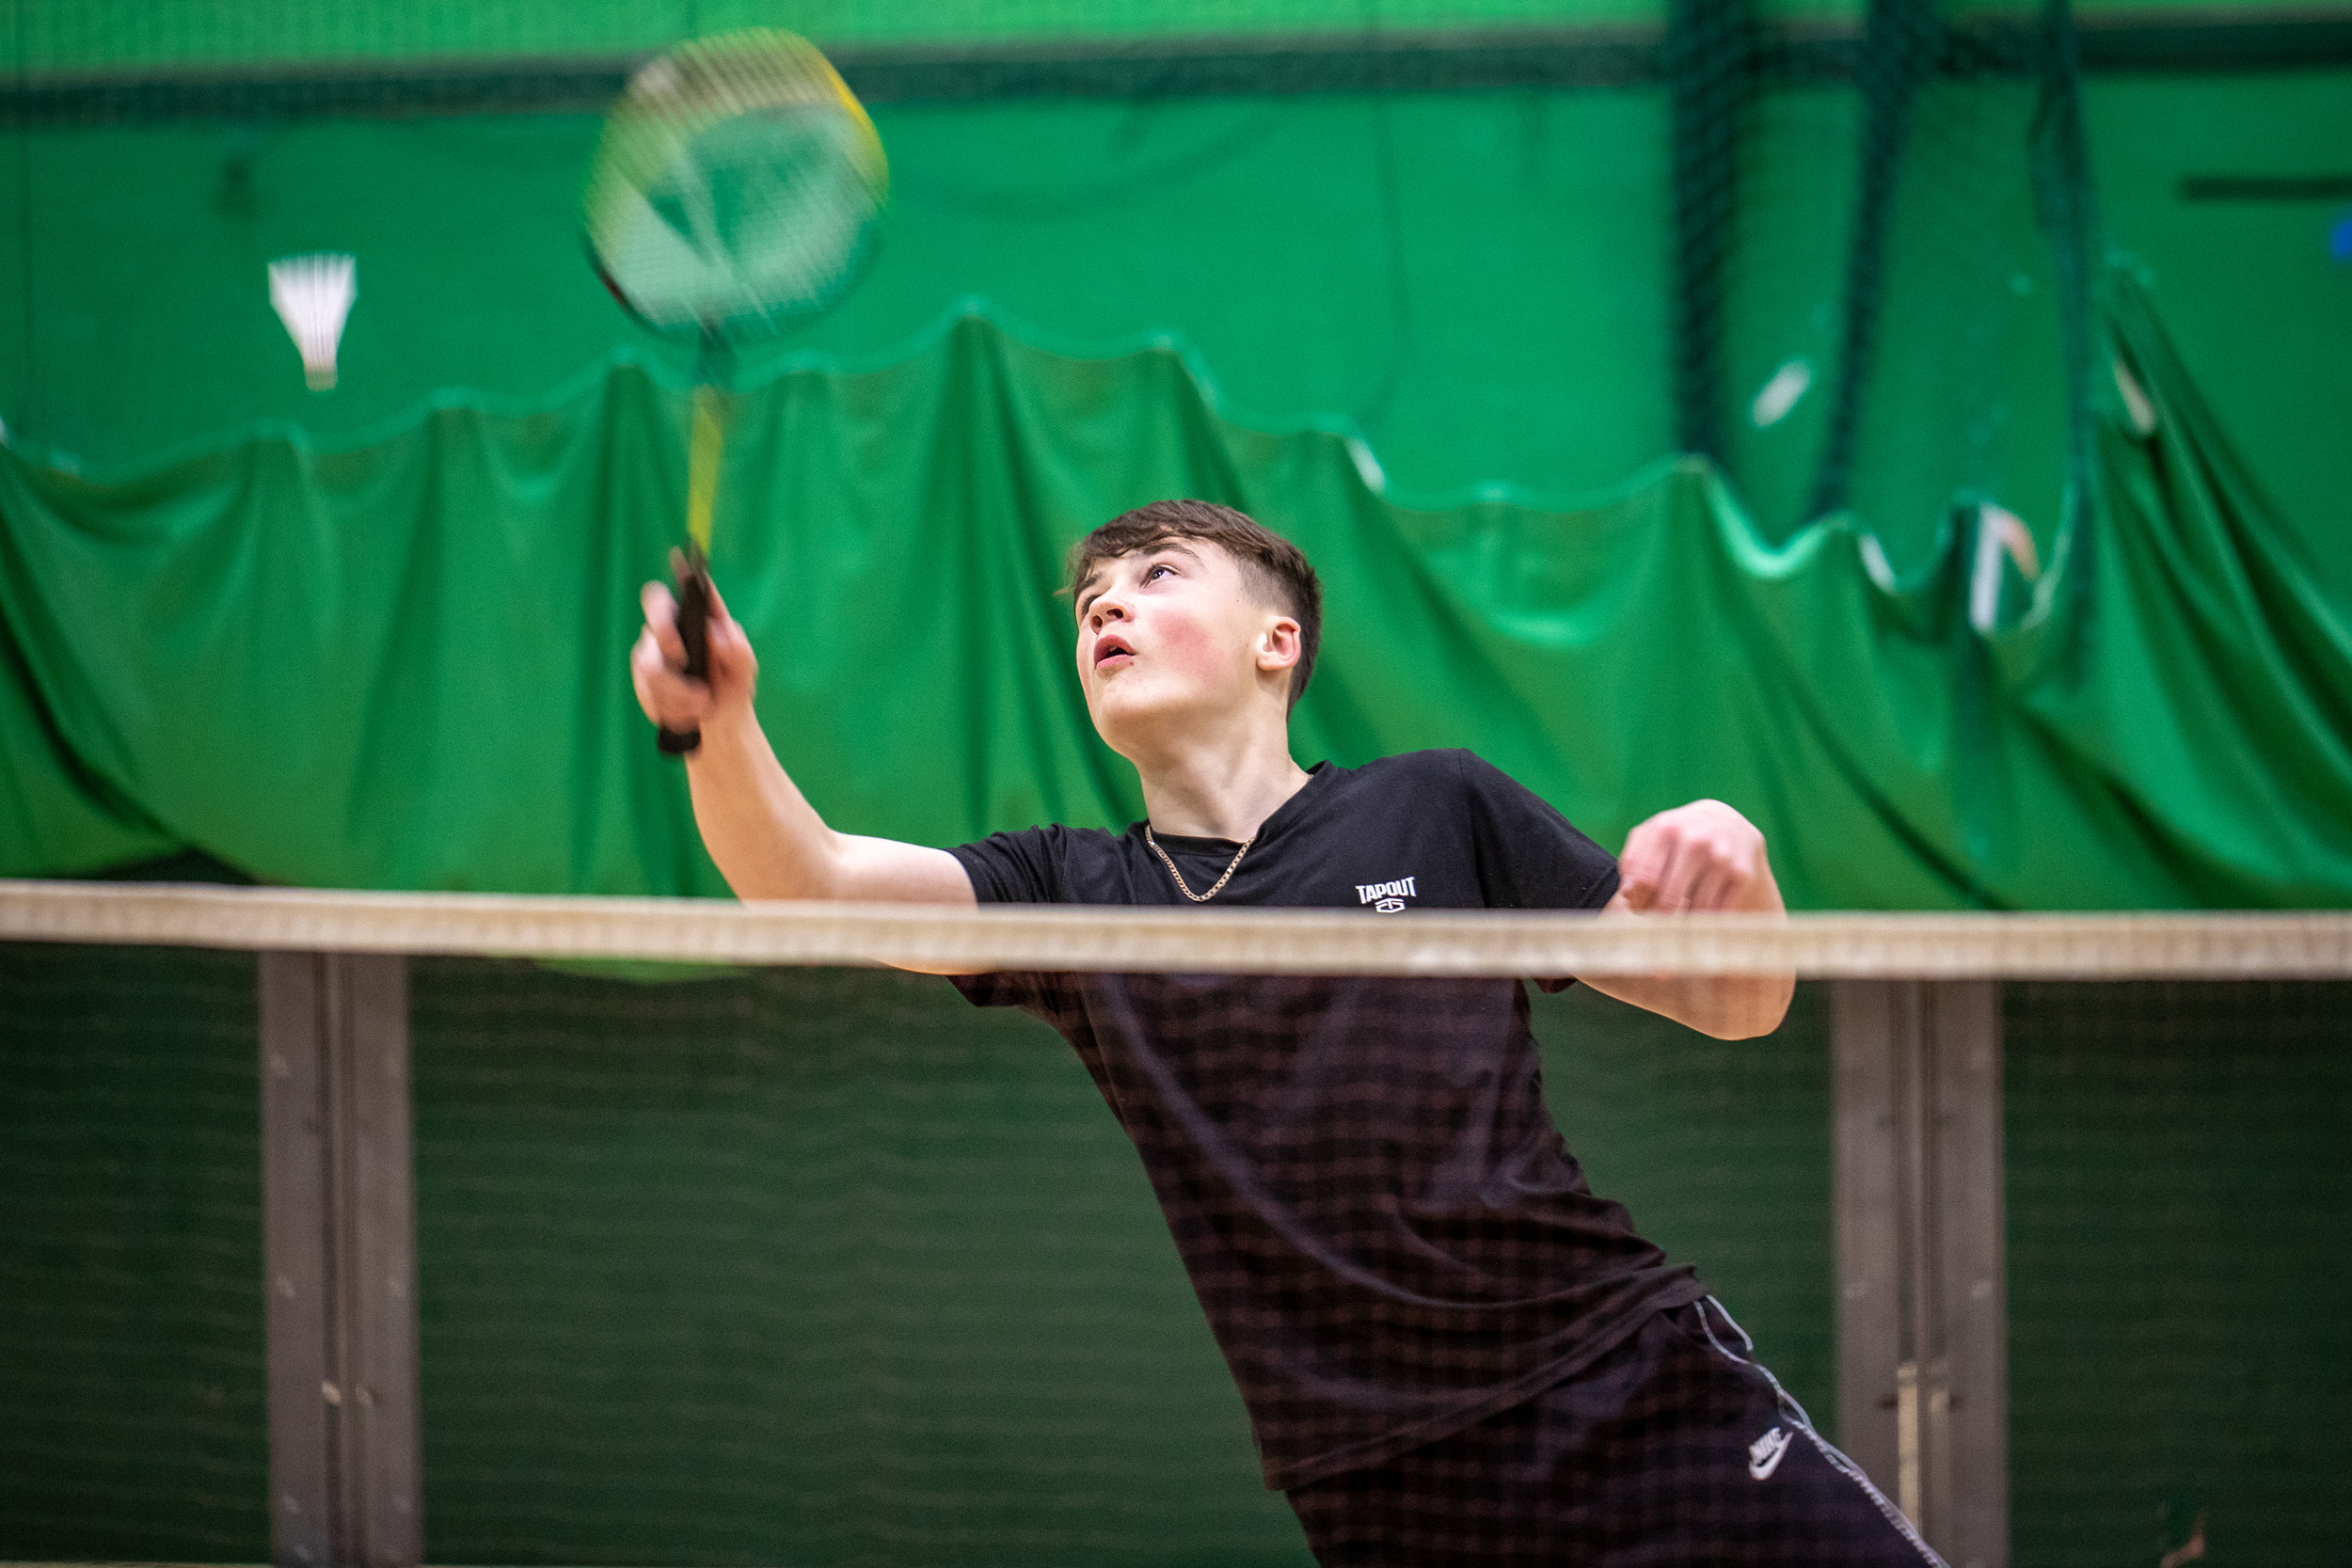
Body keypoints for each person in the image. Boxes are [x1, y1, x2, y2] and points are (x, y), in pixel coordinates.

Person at [631, 498, 1942, 1566]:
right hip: (1379, 1483)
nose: (1108, 607)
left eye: (1153, 576)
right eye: (1093, 602)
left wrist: (1741, 868)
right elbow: (809, 881)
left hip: (1617, 1388)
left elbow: (1733, 1000)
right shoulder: (1075, 897)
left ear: (1278, 644)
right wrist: (714, 728)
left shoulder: (1434, 808)